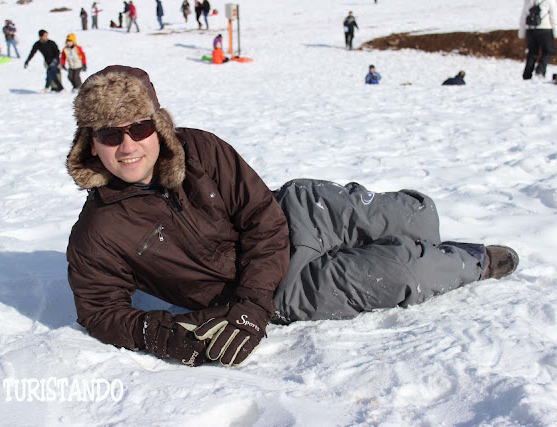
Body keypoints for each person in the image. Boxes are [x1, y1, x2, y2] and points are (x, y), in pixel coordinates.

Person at [65, 65, 519, 368]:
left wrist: (250, 304)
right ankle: (470, 261)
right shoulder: (98, 233)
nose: (128, 146)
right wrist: (163, 334)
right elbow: (100, 311)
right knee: (401, 269)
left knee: (418, 216)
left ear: (158, 126)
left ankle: (425, 238)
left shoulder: (199, 147)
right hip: (285, 290)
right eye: (110, 134)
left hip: (293, 215)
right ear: (91, 141)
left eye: (139, 128)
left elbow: (262, 216)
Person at [519, 0, 557, 79]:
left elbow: (523, 17)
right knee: (548, 51)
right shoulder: (549, 1)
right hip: (545, 29)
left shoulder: (528, 1)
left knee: (532, 53)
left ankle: (527, 75)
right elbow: (554, 16)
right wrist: (556, 32)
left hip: (530, 30)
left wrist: (522, 33)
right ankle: (540, 70)